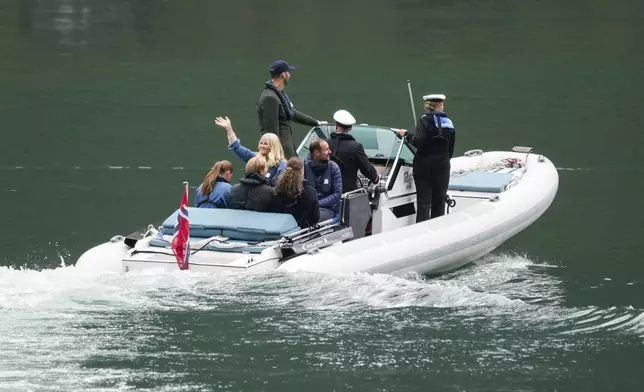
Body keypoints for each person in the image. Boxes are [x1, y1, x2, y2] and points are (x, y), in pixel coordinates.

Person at [398, 93, 456, 222]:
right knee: (439, 200)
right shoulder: (450, 124)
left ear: (427, 106)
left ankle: (421, 231)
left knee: (424, 202)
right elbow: (450, 149)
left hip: (424, 166)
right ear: (440, 105)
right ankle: (437, 230)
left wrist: (406, 134)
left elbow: (418, 142)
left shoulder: (424, 121)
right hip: (442, 166)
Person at [257, 60, 327, 158]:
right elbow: (271, 133)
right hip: (281, 155)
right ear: (282, 75)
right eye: (288, 72)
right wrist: (278, 159)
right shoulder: (270, 98)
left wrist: (316, 122)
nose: (289, 75)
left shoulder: (279, 94)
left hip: (287, 151)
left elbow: (292, 113)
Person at [215, 116, 286, 186]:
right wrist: (229, 129)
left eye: (266, 144)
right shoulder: (255, 158)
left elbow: (279, 187)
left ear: (273, 146)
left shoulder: (282, 165)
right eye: (261, 143)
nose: (262, 146)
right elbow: (237, 148)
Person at [328, 109, 380, 193]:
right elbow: (366, 168)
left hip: (325, 192)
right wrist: (376, 178)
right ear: (350, 128)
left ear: (336, 125)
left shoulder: (324, 144)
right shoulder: (356, 147)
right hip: (347, 193)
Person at [274, 157, 320, 228]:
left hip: (282, 228)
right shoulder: (310, 192)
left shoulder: (278, 189)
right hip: (303, 232)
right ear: (302, 171)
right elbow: (316, 217)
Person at [304, 139, 342, 221]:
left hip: (328, 208)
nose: (330, 152)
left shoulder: (333, 167)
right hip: (307, 207)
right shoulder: (303, 168)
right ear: (317, 153)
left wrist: (318, 204)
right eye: (326, 149)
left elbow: (337, 194)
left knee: (312, 218)